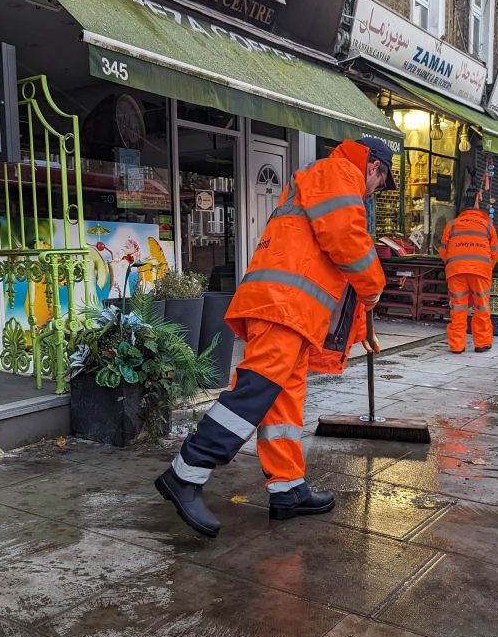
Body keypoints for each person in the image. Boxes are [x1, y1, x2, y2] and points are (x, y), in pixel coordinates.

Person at [154, 137, 393, 537]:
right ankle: (186, 473)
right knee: (254, 392)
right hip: (283, 307)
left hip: (292, 311)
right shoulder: (339, 173)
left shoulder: (324, 177)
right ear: (374, 167)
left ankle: (287, 490)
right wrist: (374, 287)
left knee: (283, 404)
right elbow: (347, 241)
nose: (375, 192)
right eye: (380, 184)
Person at [438, 208, 498, 353]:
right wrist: (486, 268)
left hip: (456, 271)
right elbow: (495, 252)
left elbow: (442, 250)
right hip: (480, 271)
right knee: (481, 307)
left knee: (458, 308)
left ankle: (457, 346)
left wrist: (454, 264)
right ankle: (482, 343)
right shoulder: (488, 225)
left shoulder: (452, 224)